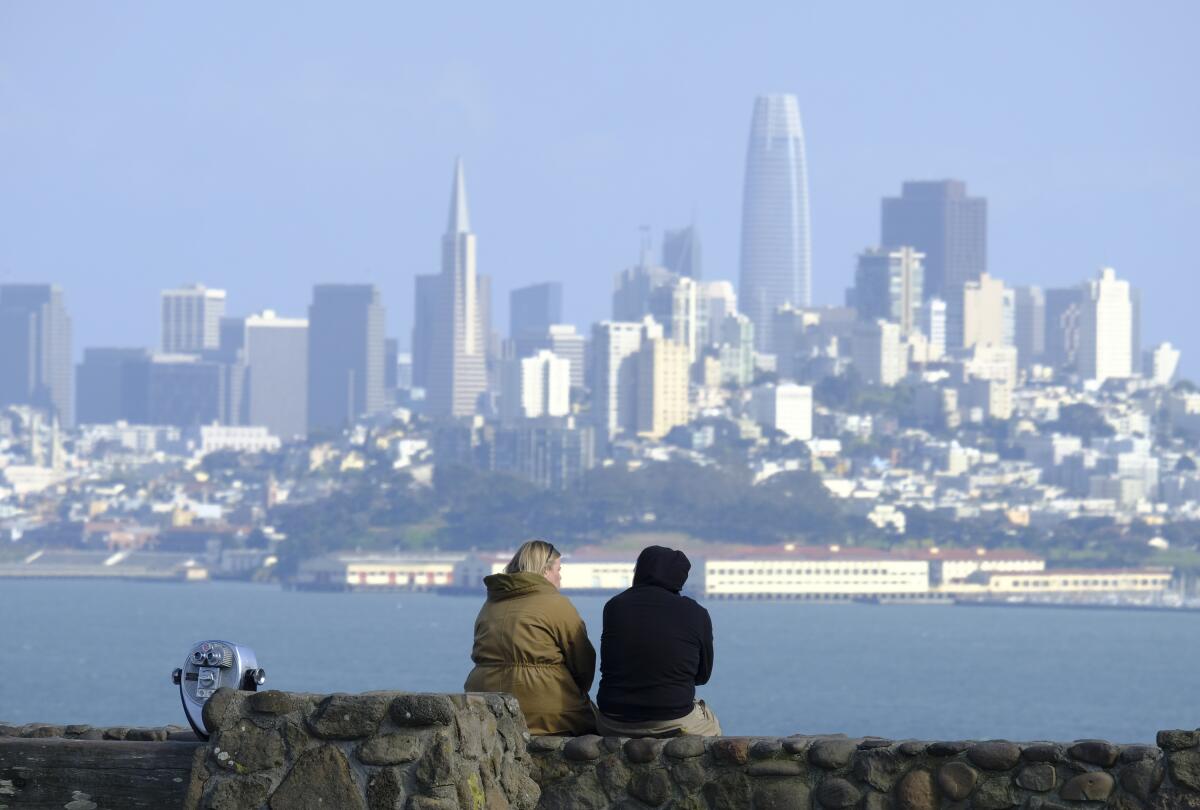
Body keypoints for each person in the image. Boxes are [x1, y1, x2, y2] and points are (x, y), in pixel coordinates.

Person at [464, 539, 597, 735]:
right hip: (545, 713)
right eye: (559, 570)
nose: (560, 578)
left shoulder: (489, 606)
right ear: (544, 571)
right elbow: (583, 664)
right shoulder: (556, 604)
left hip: (483, 707)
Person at [596, 545, 720, 737]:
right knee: (711, 723)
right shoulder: (696, 613)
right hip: (672, 719)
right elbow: (702, 676)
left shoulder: (614, 606)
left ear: (640, 571)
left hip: (613, 720)